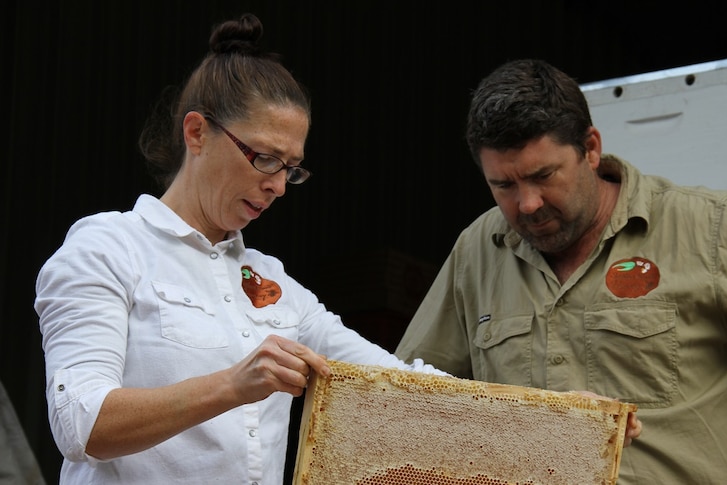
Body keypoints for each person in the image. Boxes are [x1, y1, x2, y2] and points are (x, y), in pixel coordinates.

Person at [395, 58, 727, 484]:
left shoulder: (711, 228)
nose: (528, 204)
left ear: (591, 148)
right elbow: (408, 394)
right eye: (503, 185)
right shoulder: (477, 250)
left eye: (543, 176)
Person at [32, 13, 452, 485]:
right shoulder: (108, 247)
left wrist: (503, 410)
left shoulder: (274, 282)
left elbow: (396, 382)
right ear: (196, 133)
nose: (278, 186)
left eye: (291, 168)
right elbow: (80, 425)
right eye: (265, 158)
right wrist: (232, 385)